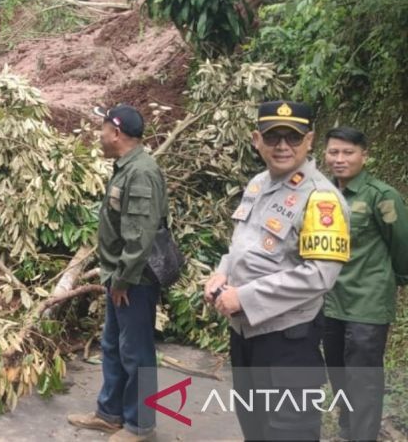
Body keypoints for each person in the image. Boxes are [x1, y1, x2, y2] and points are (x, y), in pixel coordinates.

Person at [203, 101, 350, 441]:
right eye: (273, 137)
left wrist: (245, 297)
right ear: (257, 139)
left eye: (293, 137)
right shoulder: (258, 184)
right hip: (245, 337)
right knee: (253, 427)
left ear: (309, 140)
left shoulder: (320, 199)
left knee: (288, 432)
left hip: (287, 343)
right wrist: (222, 273)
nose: (282, 146)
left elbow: (319, 276)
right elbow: (243, 244)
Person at [67, 105, 167, 442]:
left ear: (117, 133)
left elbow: (140, 235)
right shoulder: (125, 167)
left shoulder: (141, 172)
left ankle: (140, 425)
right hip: (119, 275)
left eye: (103, 128)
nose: (99, 134)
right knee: (112, 344)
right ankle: (110, 414)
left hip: (134, 279)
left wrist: (123, 280)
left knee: (136, 351)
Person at [322, 126, 408, 441]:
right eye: (334, 152)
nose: (340, 159)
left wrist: (396, 281)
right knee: (337, 369)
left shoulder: (382, 196)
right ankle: (347, 427)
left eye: (348, 152)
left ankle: (363, 436)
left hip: (367, 300)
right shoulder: (322, 194)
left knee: (363, 376)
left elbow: (401, 244)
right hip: (331, 299)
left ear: (365, 156)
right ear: (325, 154)